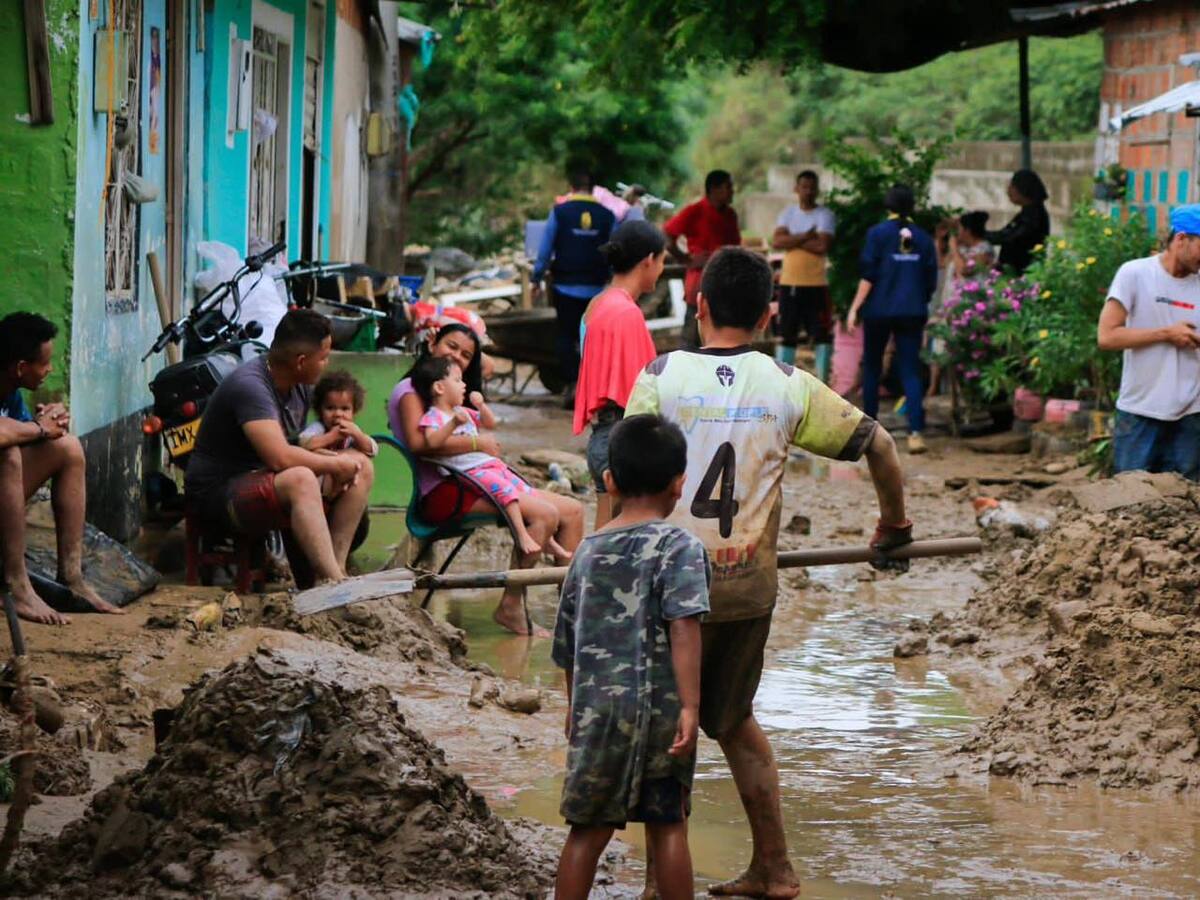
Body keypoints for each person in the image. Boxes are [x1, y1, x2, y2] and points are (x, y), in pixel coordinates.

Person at [625, 247, 910, 899]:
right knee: (732, 718)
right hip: (743, 587)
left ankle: (658, 884)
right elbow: (882, 448)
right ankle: (775, 867)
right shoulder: (787, 383)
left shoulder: (661, 376)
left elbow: (623, 477)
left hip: (667, 588)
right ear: (769, 313)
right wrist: (895, 525)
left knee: (671, 722)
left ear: (698, 306)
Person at [552, 413, 709, 900]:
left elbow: (568, 643)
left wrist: (574, 707)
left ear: (609, 480)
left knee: (587, 831)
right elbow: (684, 626)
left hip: (598, 714)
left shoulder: (587, 551)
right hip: (661, 713)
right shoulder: (680, 545)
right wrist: (690, 706)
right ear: (679, 484)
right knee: (668, 826)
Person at [387, 323, 583, 635]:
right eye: (451, 347)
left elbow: (482, 423)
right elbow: (419, 445)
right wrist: (478, 444)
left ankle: (571, 614)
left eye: (466, 355)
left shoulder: (453, 396)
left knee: (573, 510)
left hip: (473, 480)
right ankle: (512, 606)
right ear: (432, 341)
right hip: (445, 490)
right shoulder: (412, 389)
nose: (459, 358)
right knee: (545, 513)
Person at [184, 309, 373, 586]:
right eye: (323, 358)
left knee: (361, 464)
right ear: (300, 361)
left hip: (262, 478)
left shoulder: (300, 386)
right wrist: (333, 464)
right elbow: (280, 457)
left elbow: (296, 444)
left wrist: (335, 458)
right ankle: (332, 579)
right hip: (217, 495)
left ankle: (335, 569)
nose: (326, 364)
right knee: (302, 478)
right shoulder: (252, 387)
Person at [0, 313, 119, 625]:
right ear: (20, 367)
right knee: (7, 456)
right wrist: (38, 429)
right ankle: (16, 583)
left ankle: (72, 577)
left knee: (68, 447)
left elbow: (25, 431)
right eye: (45, 363)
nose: (49, 369)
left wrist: (49, 424)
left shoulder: (10, 390)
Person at [411, 355, 573, 563]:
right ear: (439, 388)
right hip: (469, 472)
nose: (464, 385)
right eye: (458, 380)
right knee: (505, 492)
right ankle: (522, 534)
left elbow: (489, 423)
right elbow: (432, 442)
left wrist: (481, 406)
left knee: (522, 487)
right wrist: (452, 425)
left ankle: (548, 540)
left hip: (488, 465)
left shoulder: (462, 411)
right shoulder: (434, 417)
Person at [1098, 204, 1200, 480]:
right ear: (1181, 239)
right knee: (1130, 501)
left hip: (1190, 415)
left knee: (1184, 507)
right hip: (1139, 411)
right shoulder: (1135, 274)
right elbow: (1107, 336)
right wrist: (1166, 334)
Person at [574, 220, 664, 529]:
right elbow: (643, 392)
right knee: (613, 542)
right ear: (649, 260)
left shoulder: (596, 305)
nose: (662, 269)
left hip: (601, 435)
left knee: (602, 538)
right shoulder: (627, 314)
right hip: (620, 438)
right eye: (663, 261)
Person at [847, 184, 940, 455]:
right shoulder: (923, 238)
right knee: (911, 370)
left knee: (874, 367)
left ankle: (871, 431)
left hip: (879, 310)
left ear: (888, 205)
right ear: (912, 206)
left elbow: (869, 275)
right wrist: (916, 298)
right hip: (912, 310)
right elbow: (930, 280)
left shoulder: (877, 235)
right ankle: (915, 433)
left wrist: (855, 307)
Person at [533, 163, 617, 407]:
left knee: (565, 336)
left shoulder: (559, 212)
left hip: (565, 286)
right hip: (597, 289)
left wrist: (536, 277)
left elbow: (545, 249)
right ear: (593, 189)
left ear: (571, 188)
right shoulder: (607, 216)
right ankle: (595, 387)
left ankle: (572, 384)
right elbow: (615, 252)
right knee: (594, 339)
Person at [664, 169, 741, 349]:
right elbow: (667, 235)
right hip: (700, 282)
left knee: (722, 339)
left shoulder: (730, 215)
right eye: (728, 187)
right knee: (691, 337)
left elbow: (736, 247)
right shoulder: (695, 210)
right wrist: (685, 259)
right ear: (714, 189)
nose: (732, 191)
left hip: (726, 285)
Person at [772, 170, 836, 380]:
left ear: (817, 190)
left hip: (816, 283)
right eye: (804, 187)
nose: (807, 191)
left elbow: (822, 246)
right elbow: (777, 242)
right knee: (787, 333)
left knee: (821, 334)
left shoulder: (825, 215)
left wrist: (793, 239)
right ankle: (783, 380)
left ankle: (822, 380)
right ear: (796, 189)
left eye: (811, 187)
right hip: (790, 282)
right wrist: (807, 235)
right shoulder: (787, 213)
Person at [929, 212, 995, 397]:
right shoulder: (960, 249)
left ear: (968, 230)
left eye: (959, 230)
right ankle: (934, 386)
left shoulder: (985, 249)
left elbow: (964, 269)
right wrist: (939, 240)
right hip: (951, 306)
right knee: (940, 343)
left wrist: (953, 247)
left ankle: (963, 390)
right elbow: (941, 263)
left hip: (971, 309)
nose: (957, 234)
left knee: (964, 349)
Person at [299, 370, 379, 459]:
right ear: (319, 410)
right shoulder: (319, 428)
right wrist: (330, 437)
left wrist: (358, 435)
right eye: (330, 408)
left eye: (344, 409)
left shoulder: (350, 430)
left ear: (354, 411)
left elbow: (373, 450)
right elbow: (303, 444)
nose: (338, 414)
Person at [986, 169, 1050, 275]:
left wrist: (973, 234)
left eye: (1012, 187)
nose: (1008, 191)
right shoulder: (1027, 213)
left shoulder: (1034, 217)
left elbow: (1009, 237)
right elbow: (1004, 234)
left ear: (1024, 189)